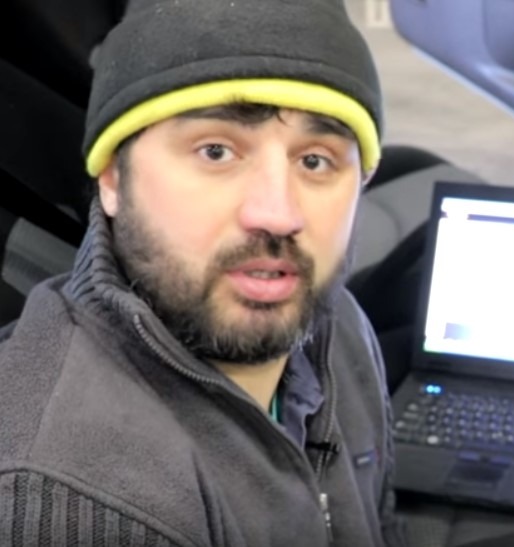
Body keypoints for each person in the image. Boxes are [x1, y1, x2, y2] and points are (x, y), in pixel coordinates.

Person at [0, 0, 406, 545]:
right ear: (113, 178)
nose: (278, 214)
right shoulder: (71, 500)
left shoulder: (340, 327)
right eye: (216, 151)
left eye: (315, 161)